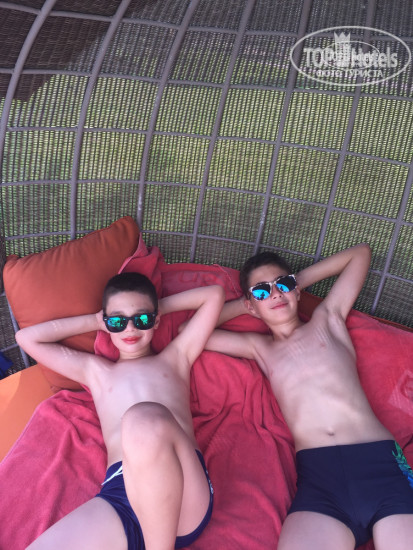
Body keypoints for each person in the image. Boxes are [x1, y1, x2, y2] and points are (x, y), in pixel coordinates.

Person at [204, 243, 413, 550]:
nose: (276, 294)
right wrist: (251, 302)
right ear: (250, 305)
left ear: (297, 290)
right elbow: (193, 331)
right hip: (321, 483)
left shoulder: (328, 319)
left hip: (380, 465)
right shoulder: (259, 348)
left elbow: (360, 253)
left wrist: (292, 283)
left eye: (283, 284)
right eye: (262, 291)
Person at [16, 271, 225, 550]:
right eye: (117, 321)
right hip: (123, 494)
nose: (130, 329)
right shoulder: (96, 372)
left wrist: (156, 308)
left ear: (156, 320)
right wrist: (95, 321)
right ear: (107, 323)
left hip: (184, 490)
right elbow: (27, 338)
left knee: (141, 419)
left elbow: (214, 295)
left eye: (142, 319)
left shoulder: (176, 357)